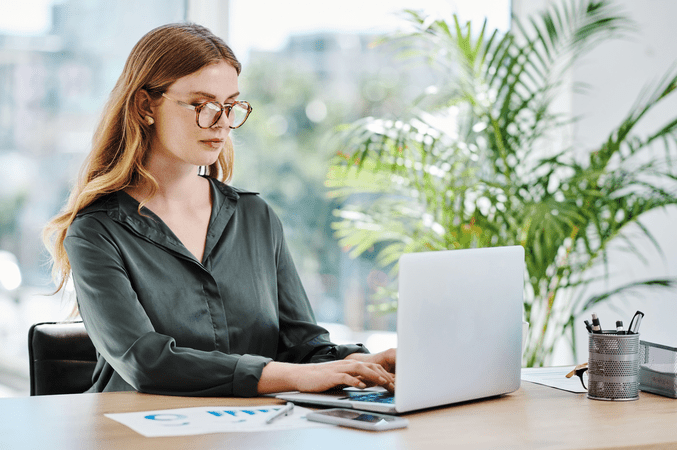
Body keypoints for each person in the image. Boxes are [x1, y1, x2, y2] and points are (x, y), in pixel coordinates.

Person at [43, 23, 395, 397]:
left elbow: (303, 348)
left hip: (250, 428)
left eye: (230, 106)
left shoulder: (255, 217)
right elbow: (146, 361)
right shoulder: (96, 231)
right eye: (202, 105)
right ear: (146, 105)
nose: (223, 122)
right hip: (135, 430)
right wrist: (291, 377)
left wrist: (366, 362)